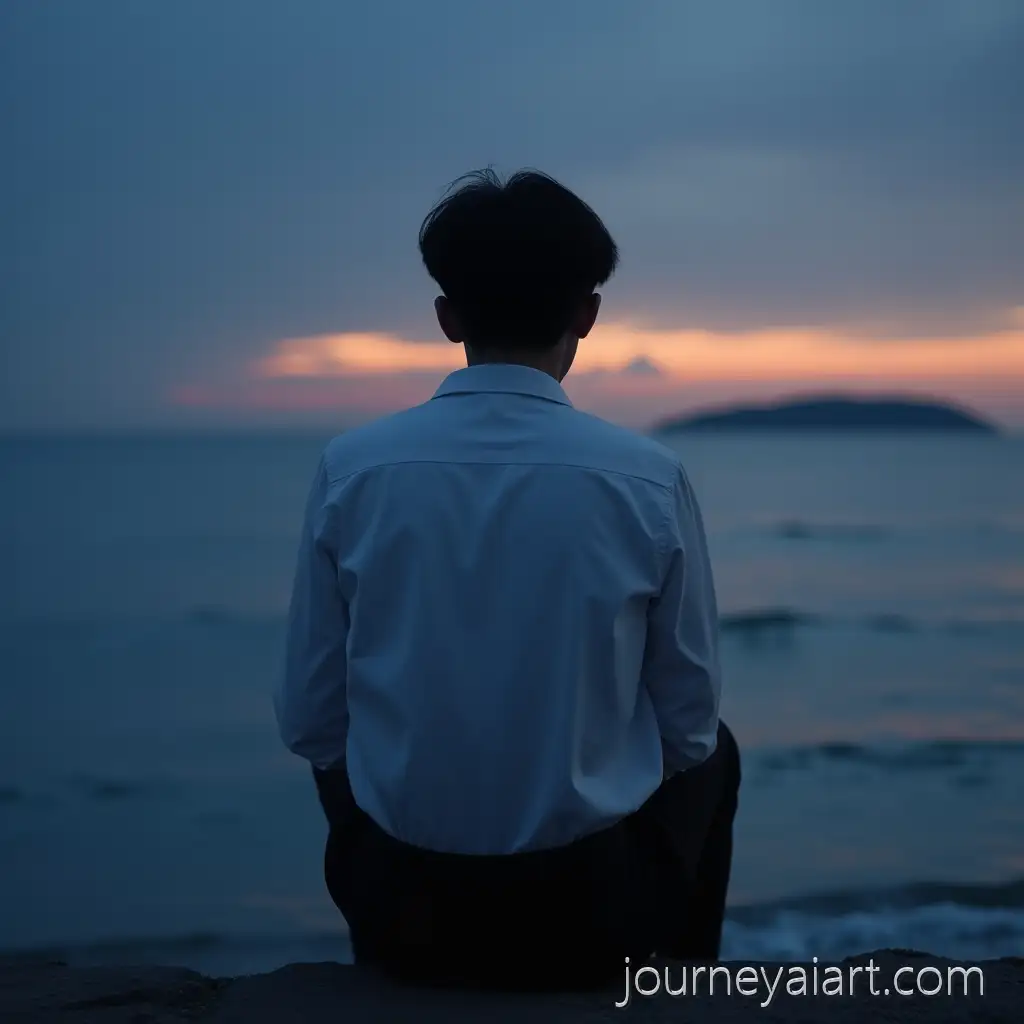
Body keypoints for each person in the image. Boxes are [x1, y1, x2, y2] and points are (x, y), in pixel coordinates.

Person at [274, 168, 740, 990]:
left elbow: (312, 722)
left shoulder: (353, 468)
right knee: (717, 755)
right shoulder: (646, 477)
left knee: (353, 754)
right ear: (586, 315)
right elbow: (689, 725)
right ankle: (669, 988)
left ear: (447, 318)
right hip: (591, 909)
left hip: (404, 904)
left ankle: (387, 971)